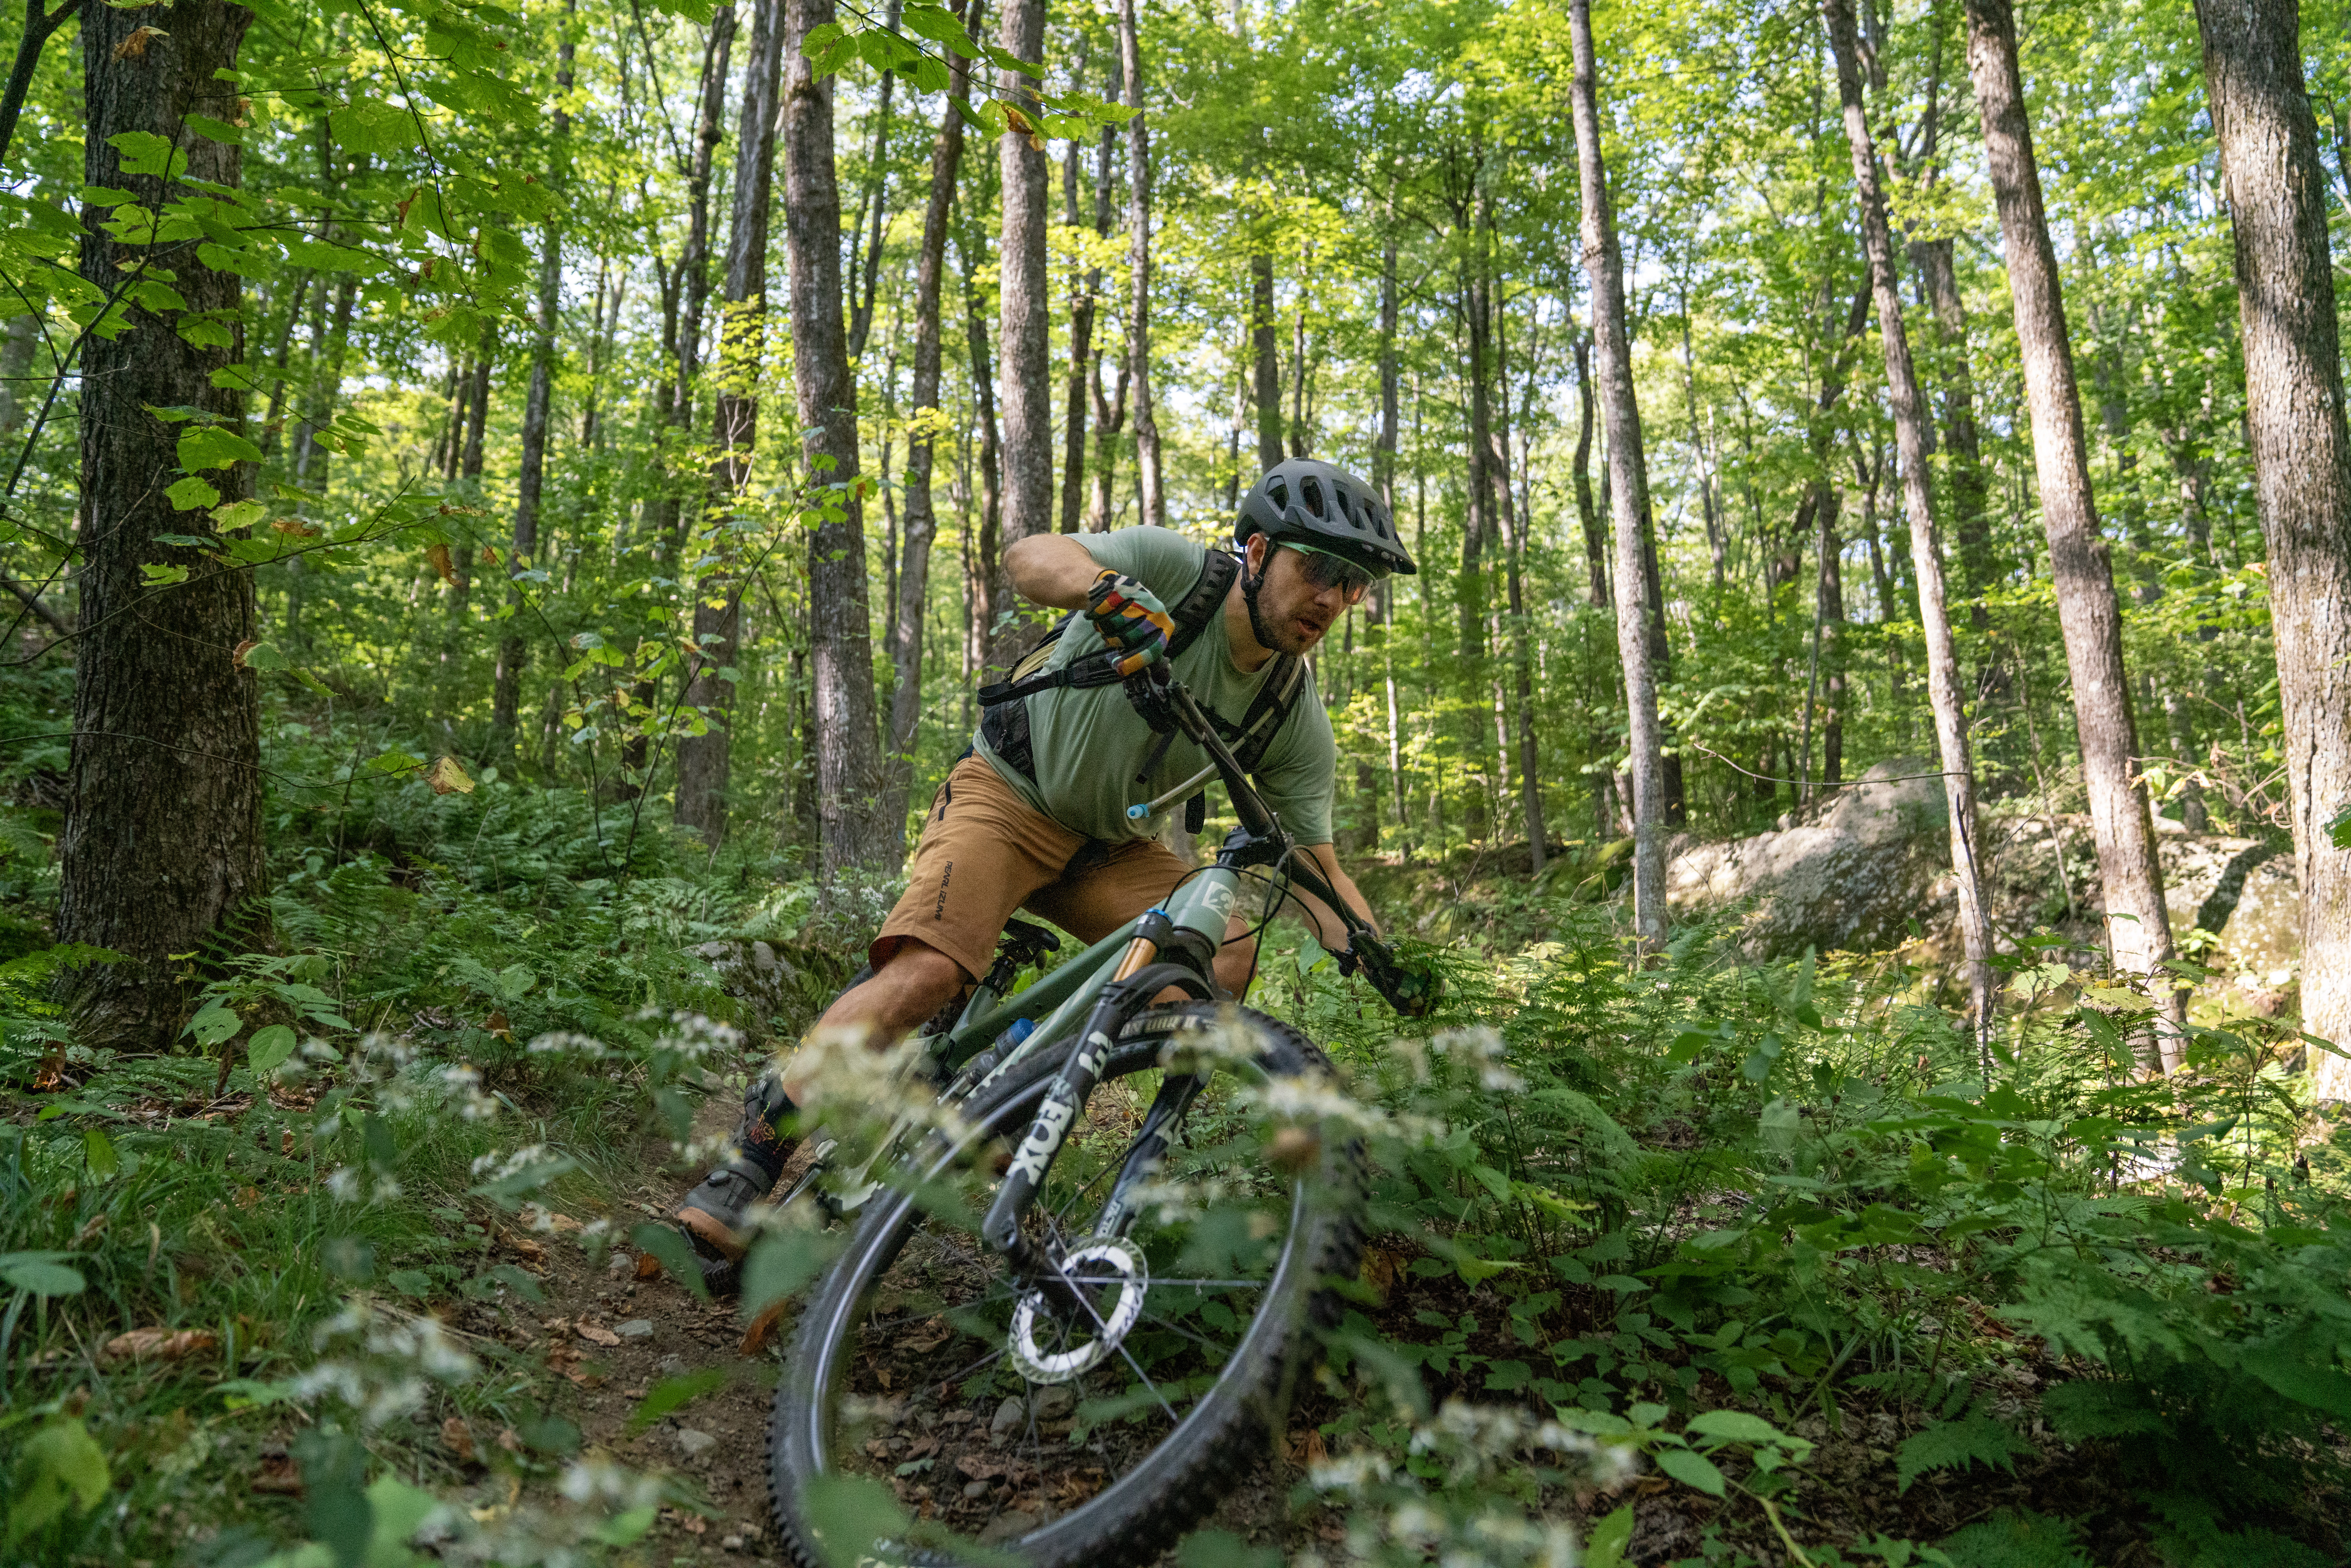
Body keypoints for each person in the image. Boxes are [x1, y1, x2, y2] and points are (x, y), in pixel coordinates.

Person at [672, 457, 1418, 1280]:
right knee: (929, 973)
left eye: (1355, 585)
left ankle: (1016, 1087)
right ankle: (757, 1148)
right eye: (1320, 569)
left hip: (1108, 848)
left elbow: (1316, 868)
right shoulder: (1178, 573)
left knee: (1226, 954)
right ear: (1259, 551)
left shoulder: (1291, 713)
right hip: (1009, 792)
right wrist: (1104, 591)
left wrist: (1384, 957)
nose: (1333, 599)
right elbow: (1031, 557)